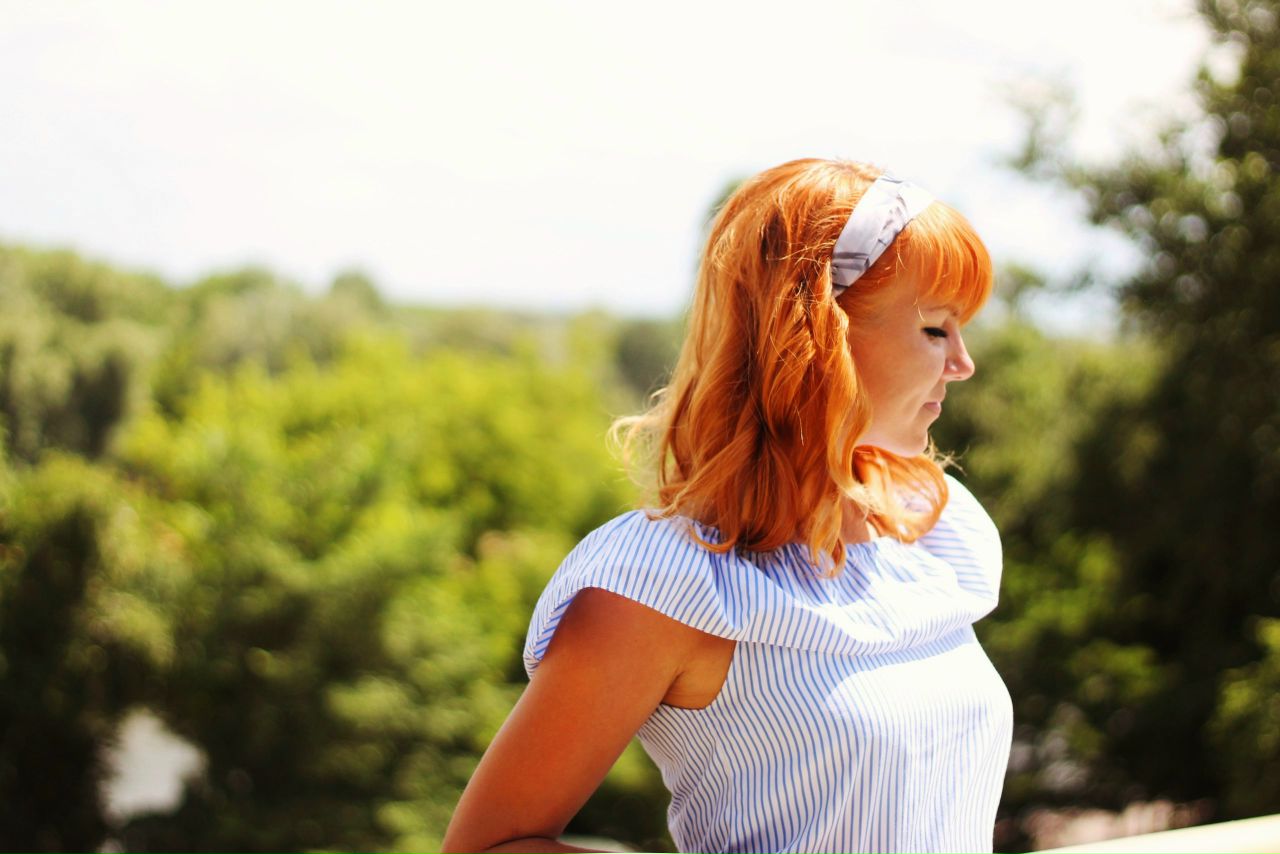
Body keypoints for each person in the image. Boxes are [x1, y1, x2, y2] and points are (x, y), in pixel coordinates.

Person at [441, 158, 1012, 854]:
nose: (963, 363)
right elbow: (487, 847)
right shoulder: (662, 586)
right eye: (936, 329)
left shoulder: (929, 530)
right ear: (819, 334)